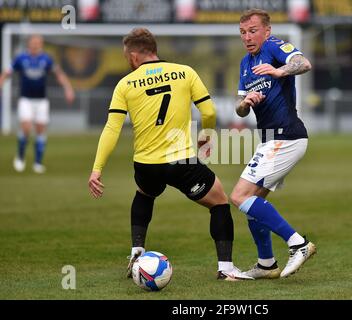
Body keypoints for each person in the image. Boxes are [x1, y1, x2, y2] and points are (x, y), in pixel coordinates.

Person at [87, 27, 253, 281]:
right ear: (153, 50)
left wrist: (97, 169)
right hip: (181, 161)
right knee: (219, 202)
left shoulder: (125, 84)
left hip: (145, 164)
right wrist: (206, 137)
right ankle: (226, 269)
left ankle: (137, 253)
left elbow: (112, 128)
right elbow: (208, 112)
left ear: (133, 56)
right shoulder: (185, 72)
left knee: (145, 192)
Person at [230, 9, 316, 279]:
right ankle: (266, 264)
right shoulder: (246, 63)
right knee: (253, 203)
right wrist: (245, 103)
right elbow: (239, 110)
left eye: (253, 30)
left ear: (266, 31)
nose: (247, 37)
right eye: (243, 32)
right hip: (270, 140)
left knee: (239, 196)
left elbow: (303, 63)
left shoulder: (274, 46)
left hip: (286, 136)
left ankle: (298, 244)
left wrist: (278, 71)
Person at [0, 34, 75, 173]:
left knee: (40, 131)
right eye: (34, 42)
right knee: (27, 128)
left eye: (38, 42)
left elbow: (59, 74)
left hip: (41, 101)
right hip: (25, 99)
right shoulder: (21, 58)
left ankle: (37, 163)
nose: (36, 45)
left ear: (41, 44)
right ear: (29, 43)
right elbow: (6, 73)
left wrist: (68, 88)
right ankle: (20, 157)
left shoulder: (46, 59)